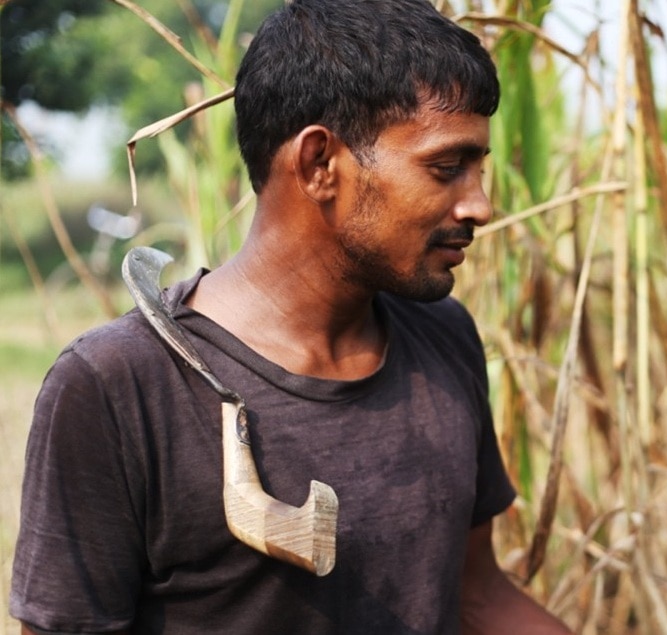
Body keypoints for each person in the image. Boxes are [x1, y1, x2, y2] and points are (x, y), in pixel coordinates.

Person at [8, 1, 572, 633]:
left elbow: (479, 597)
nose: (480, 205)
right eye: (446, 168)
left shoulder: (443, 338)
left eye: (479, 169)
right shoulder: (118, 387)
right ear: (319, 165)